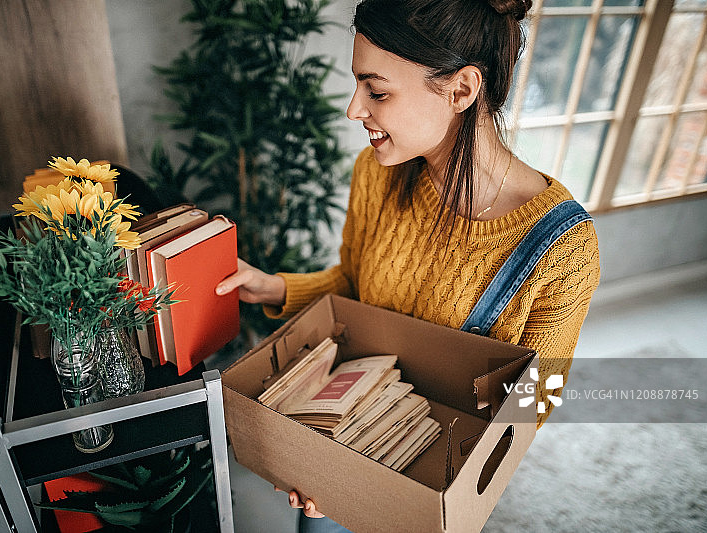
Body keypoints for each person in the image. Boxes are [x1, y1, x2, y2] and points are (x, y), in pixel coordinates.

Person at [215, 0, 601, 530]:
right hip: (339, 447)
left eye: (376, 90)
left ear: (462, 90)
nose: (354, 109)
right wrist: (276, 287)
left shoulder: (563, 246)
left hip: (435, 480)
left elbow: (538, 396)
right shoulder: (376, 174)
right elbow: (352, 285)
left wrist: (433, 465)